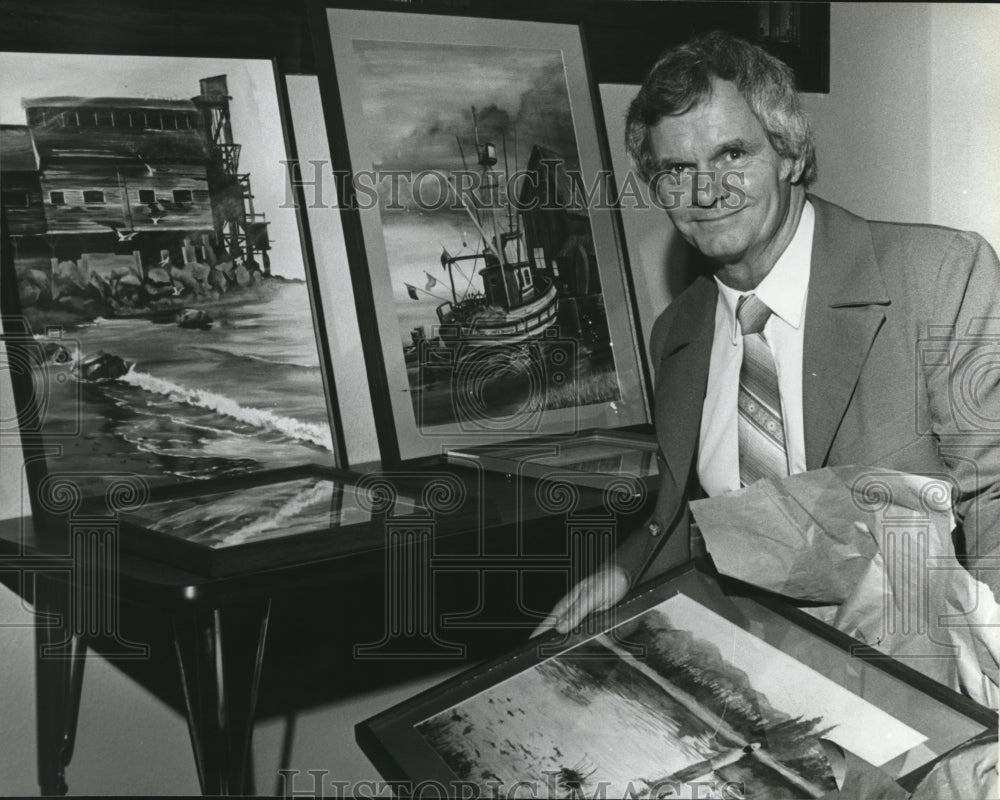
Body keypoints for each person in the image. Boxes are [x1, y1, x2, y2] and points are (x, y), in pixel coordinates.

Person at [538, 31, 1000, 635]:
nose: (706, 191)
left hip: (926, 655)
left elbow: (993, 500)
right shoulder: (674, 333)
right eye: (678, 168)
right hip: (759, 653)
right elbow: (697, 518)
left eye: (732, 155)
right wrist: (624, 571)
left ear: (790, 155)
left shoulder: (940, 274)